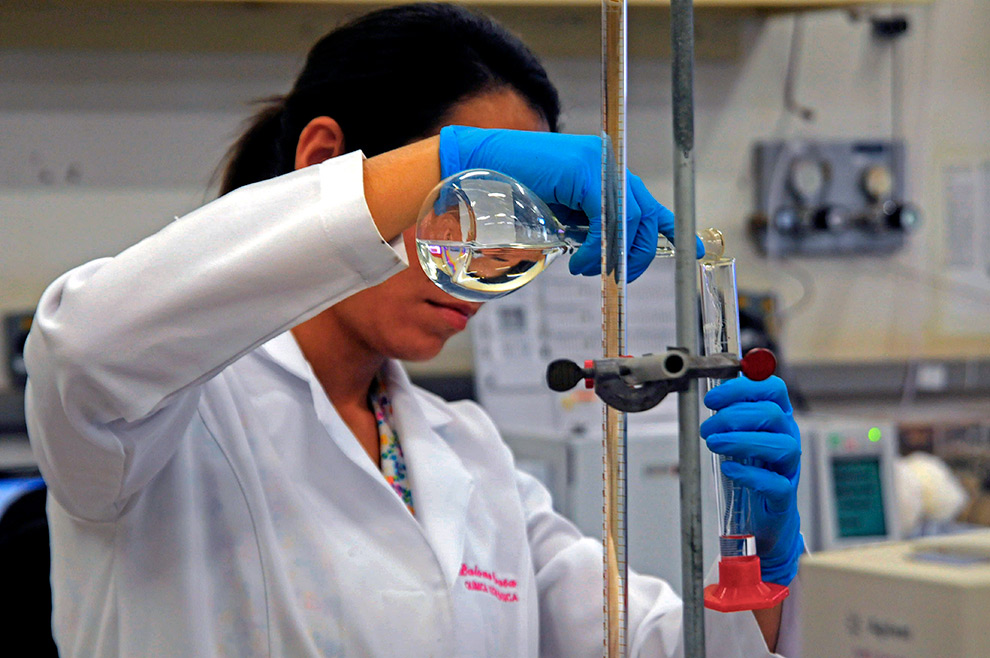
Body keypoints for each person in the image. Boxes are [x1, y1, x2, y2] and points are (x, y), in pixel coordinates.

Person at [24, 4, 803, 656]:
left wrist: (762, 564)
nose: (492, 260)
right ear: (323, 159)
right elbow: (81, 348)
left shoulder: (464, 450)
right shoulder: (159, 419)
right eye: (468, 202)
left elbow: (648, 643)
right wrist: (445, 160)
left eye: (518, 224)